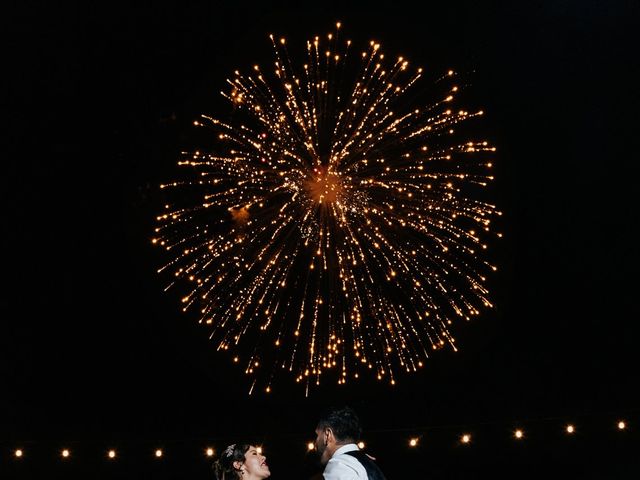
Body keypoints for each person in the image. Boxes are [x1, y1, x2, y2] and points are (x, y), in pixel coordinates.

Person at [314, 406, 387, 480]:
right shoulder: (366, 464)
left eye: (317, 435)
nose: (315, 442)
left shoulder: (340, 466)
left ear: (327, 435)